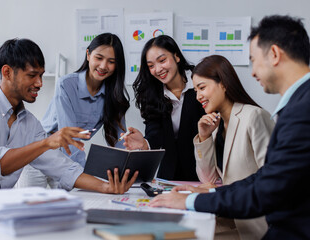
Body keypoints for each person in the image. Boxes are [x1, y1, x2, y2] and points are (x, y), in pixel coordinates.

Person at [0, 38, 138, 237]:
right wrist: (46, 142)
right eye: (32, 75)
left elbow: (64, 167)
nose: (39, 83)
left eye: (40, 75)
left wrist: (106, 187)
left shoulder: (29, 123)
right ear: (7, 72)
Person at [150, 15, 310, 239]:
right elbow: (262, 177)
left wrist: (191, 200)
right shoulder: (295, 106)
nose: (252, 72)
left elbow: (269, 187)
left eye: (254, 60)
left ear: (274, 54)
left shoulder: (296, 111)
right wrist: (207, 187)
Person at [16, 33, 129, 188]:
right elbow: (69, 137)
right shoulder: (67, 84)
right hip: (40, 153)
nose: (103, 66)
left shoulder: (114, 96)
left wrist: (123, 173)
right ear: (88, 55)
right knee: (29, 208)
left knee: (69, 206)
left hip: (66, 160)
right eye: (99, 58)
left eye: (111, 62)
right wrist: (82, 177)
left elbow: (121, 142)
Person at [192, 55, 274, 239]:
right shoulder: (215, 127)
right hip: (229, 217)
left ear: (223, 83)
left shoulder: (254, 116)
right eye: (195, 90)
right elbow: (209, 179)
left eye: (202, 87)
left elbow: (271, 179)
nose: (198, 96)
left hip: (256, 224)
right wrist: (204, 137)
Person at [123, 35, 205, 181]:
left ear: (176, 57)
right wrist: (144, 143)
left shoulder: (200, 84)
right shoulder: (152, 94)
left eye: (162, 60)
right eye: (151, 66)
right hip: (169, 176)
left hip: (204, 172)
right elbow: (155, 134)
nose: (158, 69)